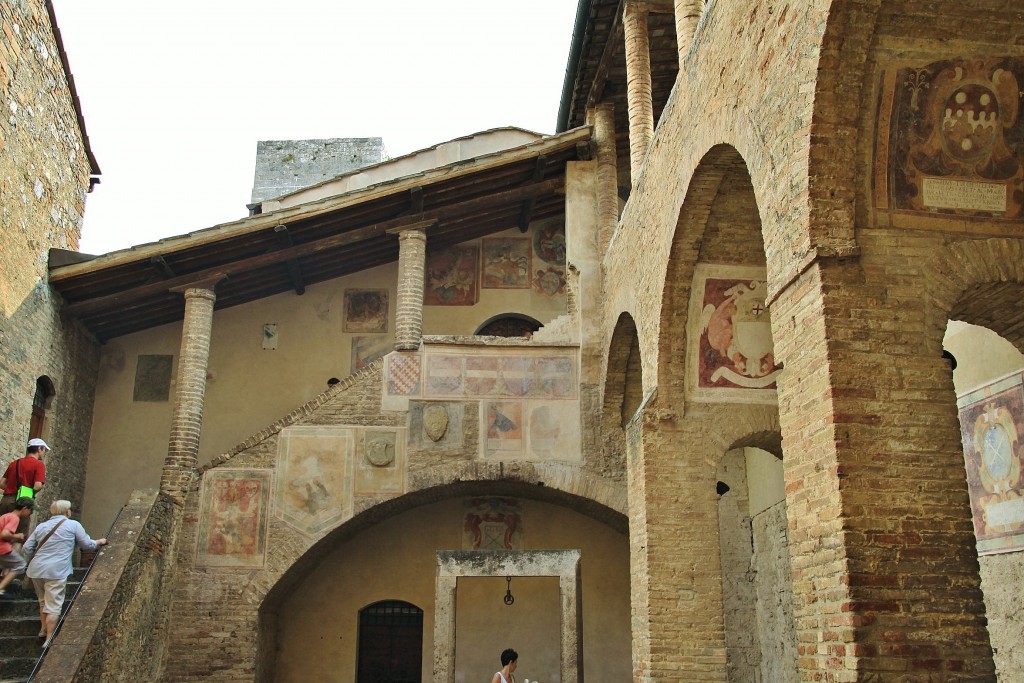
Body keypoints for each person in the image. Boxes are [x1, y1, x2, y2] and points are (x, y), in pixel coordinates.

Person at [23, 500, 107, 646]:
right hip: (57, 569)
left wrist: (33, 558)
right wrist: (99, 541)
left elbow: (26, 548)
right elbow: (87, 545)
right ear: (67, 511)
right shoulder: (73, 525)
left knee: (42, 600)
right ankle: (49, 638)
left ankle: (42, 629)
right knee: (54, 604)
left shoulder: (41, 526)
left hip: (36, 569)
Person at [0, 438, 49, 537]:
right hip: (22, 503)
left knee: (1, 532)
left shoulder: (14, 463)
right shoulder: (39, 465)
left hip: (6, 501)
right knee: (19, 536)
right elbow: (37, 486)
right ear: (39, 449)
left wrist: (12, 490)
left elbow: (1, 483)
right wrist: (28, 493)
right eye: (44, 450)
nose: (45, 453)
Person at [0, 497, 34, 597]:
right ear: (24, 508)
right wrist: (17, 536)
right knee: (21, 564)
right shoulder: (14, 518)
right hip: (2, 548)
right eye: (30, 510)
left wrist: (14, 539)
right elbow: (5, 534)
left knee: (7, 565)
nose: (30, 514)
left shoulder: (5, 516)